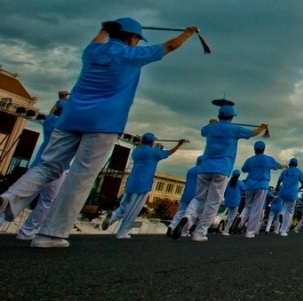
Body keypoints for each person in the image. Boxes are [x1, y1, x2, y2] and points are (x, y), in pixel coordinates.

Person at [0, 18, 198, 248]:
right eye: (136, 39)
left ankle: (10, 197)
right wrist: (188, 33)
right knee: (80, 176)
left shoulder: (92, 51)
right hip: (104, 121)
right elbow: (170, 46)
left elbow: (98, 38)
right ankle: (51, 234)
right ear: (132, 38)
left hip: (71, 117)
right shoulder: (131, 55)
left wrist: (104, 30)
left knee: (47, 166)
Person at [171, 105, 268, 241]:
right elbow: (253, 133)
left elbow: (203, 131)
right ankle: (199, 233)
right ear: (232, 117)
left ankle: (187, 216)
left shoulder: (210, 128)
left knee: (198, 198)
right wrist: (262, 127)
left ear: (218, 116)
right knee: (213, 202)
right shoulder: (234, 129)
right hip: (222, 168)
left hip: (204, 167)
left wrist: (211, 123)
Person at [103, 133, 188, 238]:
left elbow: (140, 146)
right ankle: (122, 232)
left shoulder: (136, 152)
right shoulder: (154, 152)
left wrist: (141, 144)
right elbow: (169, 152)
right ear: (152, 142)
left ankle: (113, 217)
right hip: (143, 183)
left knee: (124, 205)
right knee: (133, 209)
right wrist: (179, 144)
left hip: (131, 182)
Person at [16, 98, 69, 241]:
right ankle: (27, 231)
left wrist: (59, 100)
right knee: (47, 201)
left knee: (22, 195)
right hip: (58, 167)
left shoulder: (50, 123)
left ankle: (2, 219)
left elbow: (51, 113)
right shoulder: (68, 127)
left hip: (38, 164)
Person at [167, 156, 203, 237]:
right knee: (192, 213)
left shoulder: (190, 171)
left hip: (186, 193)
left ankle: (172, 226)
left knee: (180, 211)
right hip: (196, 195)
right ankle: (184, 231)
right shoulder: (203, 171)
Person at [275, 158, 303, 237]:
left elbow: (279, 181)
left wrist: (277, 187)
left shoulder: (285, 171)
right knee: (289, 213)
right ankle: (284, 230)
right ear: (296, 164)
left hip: (283, 192)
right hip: (292, 194)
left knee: (285, 206)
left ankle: (282, 213)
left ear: (289, 163)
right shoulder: (298, 172)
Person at [220, 169, 245, 236]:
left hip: (228, 201)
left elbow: (224, 191)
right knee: (232, 217)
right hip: (236, 201)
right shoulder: (240, 183)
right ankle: (226, 230)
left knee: (228, 215)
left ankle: (224, 228)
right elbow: (244, 190)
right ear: (239, 175)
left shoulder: (228, 183)